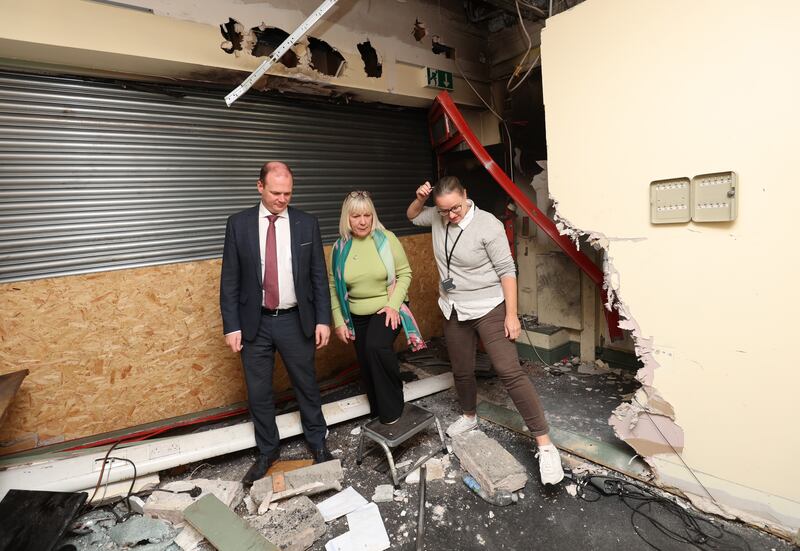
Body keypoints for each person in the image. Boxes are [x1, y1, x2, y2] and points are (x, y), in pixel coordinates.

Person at [406, 176, 564, 485]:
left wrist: (512, 315)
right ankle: (469, 417)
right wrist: (419, 199)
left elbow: (507, 271)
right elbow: (412, 216)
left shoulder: (488, 225)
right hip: (453, 307)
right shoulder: (438, 216)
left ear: (466, 194)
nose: (451, 215)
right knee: (462, 370)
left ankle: (545, 445)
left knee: (509, 372)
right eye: (444, 210)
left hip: (489, 306)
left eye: (456, 208)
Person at [220, 161, 333, 487]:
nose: (282, 199)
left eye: (287, 193)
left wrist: (323, 319)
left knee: (306, 386)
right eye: (275, 193)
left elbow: (317, 277)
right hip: (255, 323)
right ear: (260, 187)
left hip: (295, 320)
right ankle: (268, 451)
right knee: (258, 392)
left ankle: (317, 442)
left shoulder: (305, 223)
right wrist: (232, 325)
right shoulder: (238, 224)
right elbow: (230, 280)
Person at [329, 191, 426, 424]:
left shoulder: (386, 238)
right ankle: (377, 413)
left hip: (387, 306)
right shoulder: (339, 247)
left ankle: (392, 412)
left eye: (367, 215)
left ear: (373, 216)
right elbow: (333, 284)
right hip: (354, 314)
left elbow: (405, 273)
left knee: (376, 346)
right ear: (347, 218)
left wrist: (393, 306)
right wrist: (339, 321)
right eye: (356, 216)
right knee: (366, 362)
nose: (362, 221)